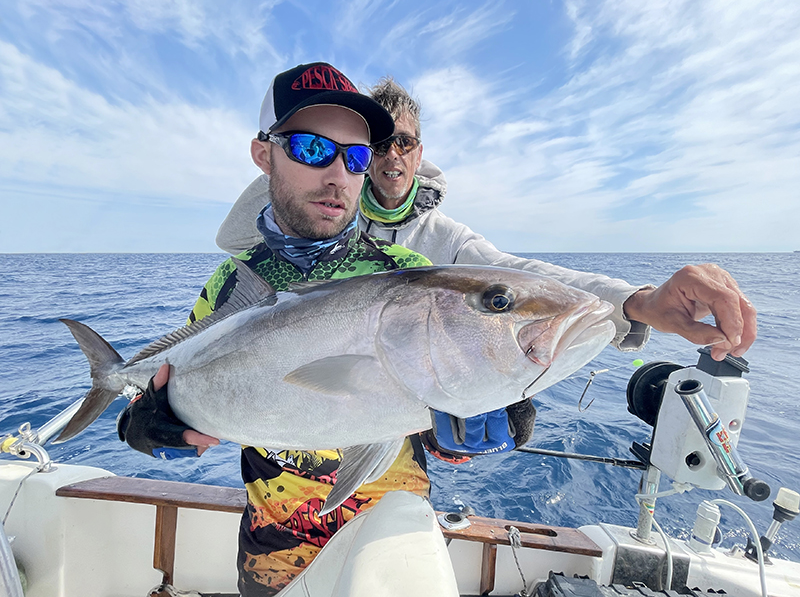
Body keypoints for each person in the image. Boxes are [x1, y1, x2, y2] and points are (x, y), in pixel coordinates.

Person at [118, 63, 450, 595]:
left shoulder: (406, 275)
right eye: (313, 149)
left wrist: (480, 423)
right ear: (263, 153)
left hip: (390, 536)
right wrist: (147, 427)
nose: (338, 175)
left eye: (356, 157)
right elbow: (176, 383)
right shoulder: (232, 282)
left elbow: (432, 406)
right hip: (272, 547)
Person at [217, 78, 757, 365]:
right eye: (374, 146)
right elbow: (240, 240)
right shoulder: (321, 215)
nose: (390, 157)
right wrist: (297, 159)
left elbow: (513, 276)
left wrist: (637, 303)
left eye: (402, 143)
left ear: (419, 150)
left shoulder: (439, 239)